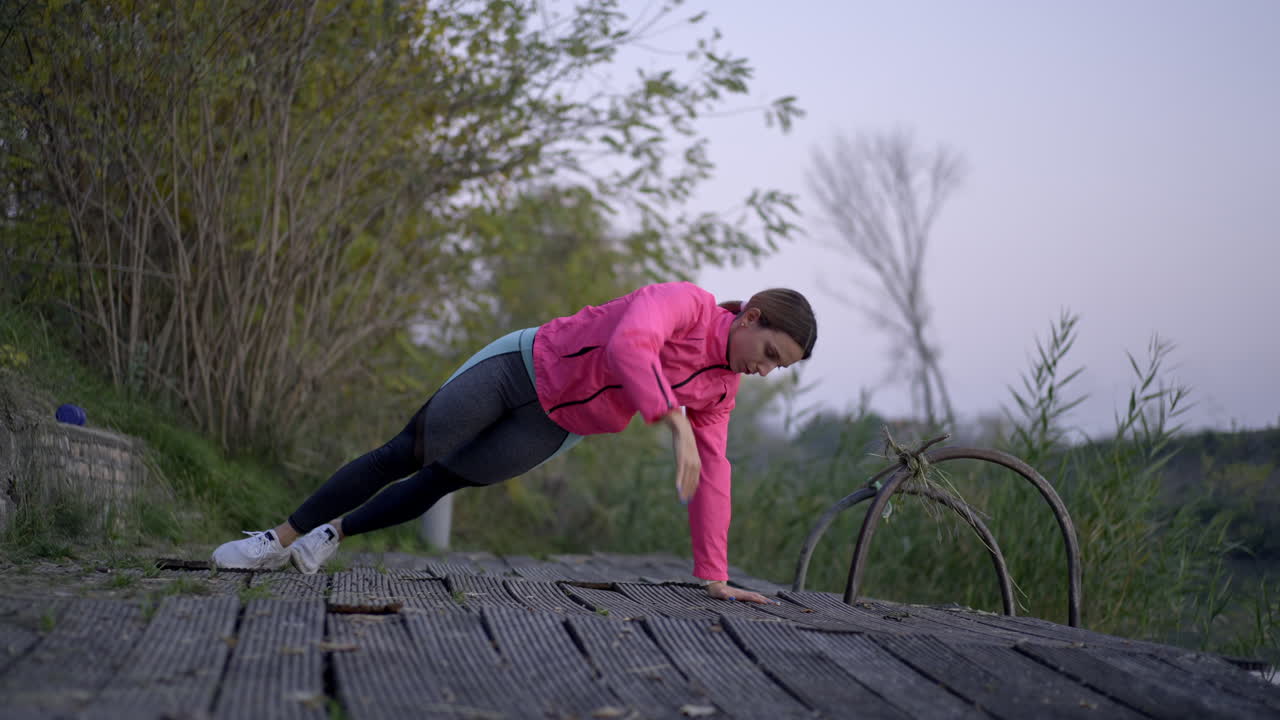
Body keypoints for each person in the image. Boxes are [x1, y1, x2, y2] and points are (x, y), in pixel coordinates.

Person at [212, 281, 817, 604]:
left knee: (443, 478)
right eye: (768, 354)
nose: (764, 369)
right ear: (751, 316)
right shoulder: (684, 303)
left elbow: (716, 471)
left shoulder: (720, 389)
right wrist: (673, 419)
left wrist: (713, 574)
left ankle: (330, 534)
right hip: (524, 366)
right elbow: (628, 344)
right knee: (409, 451)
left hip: (557, 426)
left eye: (778, 368)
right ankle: (275, 540)